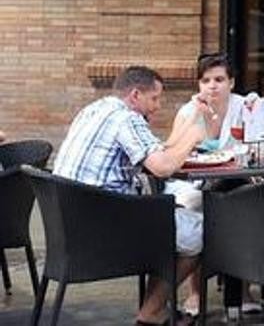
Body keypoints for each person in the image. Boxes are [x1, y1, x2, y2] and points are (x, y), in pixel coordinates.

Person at [52, 65, 211, 326]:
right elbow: (162, 167)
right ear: (135, 94)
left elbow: (160, 149)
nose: (157, 106)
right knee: (197, 231)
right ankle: (151, 311)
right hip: (106, 231)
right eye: (154, 98)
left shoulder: (94, 110)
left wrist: (191, 126)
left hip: (72, 229)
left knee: (171, 220)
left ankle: (155, 309)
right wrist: (194, 135)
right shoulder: (126, 118)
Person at [164, 53, 250, 317]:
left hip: (233, 179)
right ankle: (195, 292)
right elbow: (171, 150)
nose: (212, 86)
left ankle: (243, 291)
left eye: (219, 79)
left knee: (249, 208)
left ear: (231, 83)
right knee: (196, 208)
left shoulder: (245, 105)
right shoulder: (190, 110)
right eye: (206, 80)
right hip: (192, 181)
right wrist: (196, 120)